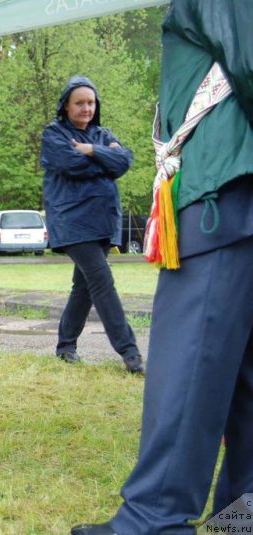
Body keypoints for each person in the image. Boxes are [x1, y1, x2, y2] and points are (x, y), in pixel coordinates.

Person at [71, 1, 253, 534]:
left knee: (190, 362)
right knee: (243, 369)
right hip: (235, 190)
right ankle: (243, 512)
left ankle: (155, 519)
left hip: (223, 191)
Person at [41, 76, 144, 374]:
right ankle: (130, 352)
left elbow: (124, 161)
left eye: (90, 102)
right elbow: (69, 166)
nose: (86, 108)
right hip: (73, 221)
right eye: (79, 103)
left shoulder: (101, 134)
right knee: (102, 282)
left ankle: (65, 346)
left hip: (103, 221)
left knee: (83, 287)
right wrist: (105, 158)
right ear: (66, 106)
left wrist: (92, 151)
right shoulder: (54, 135)